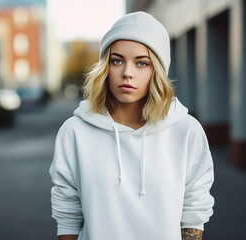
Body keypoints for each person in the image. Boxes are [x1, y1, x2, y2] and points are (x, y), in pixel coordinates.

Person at [50, 11, 214, 240]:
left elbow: (194, 211)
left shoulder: (186, 131)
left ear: (156, 69)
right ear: (105, 66)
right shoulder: (75, 132)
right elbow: (67, 214)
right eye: (117, 60)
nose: (127, 73)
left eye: (141, 63)